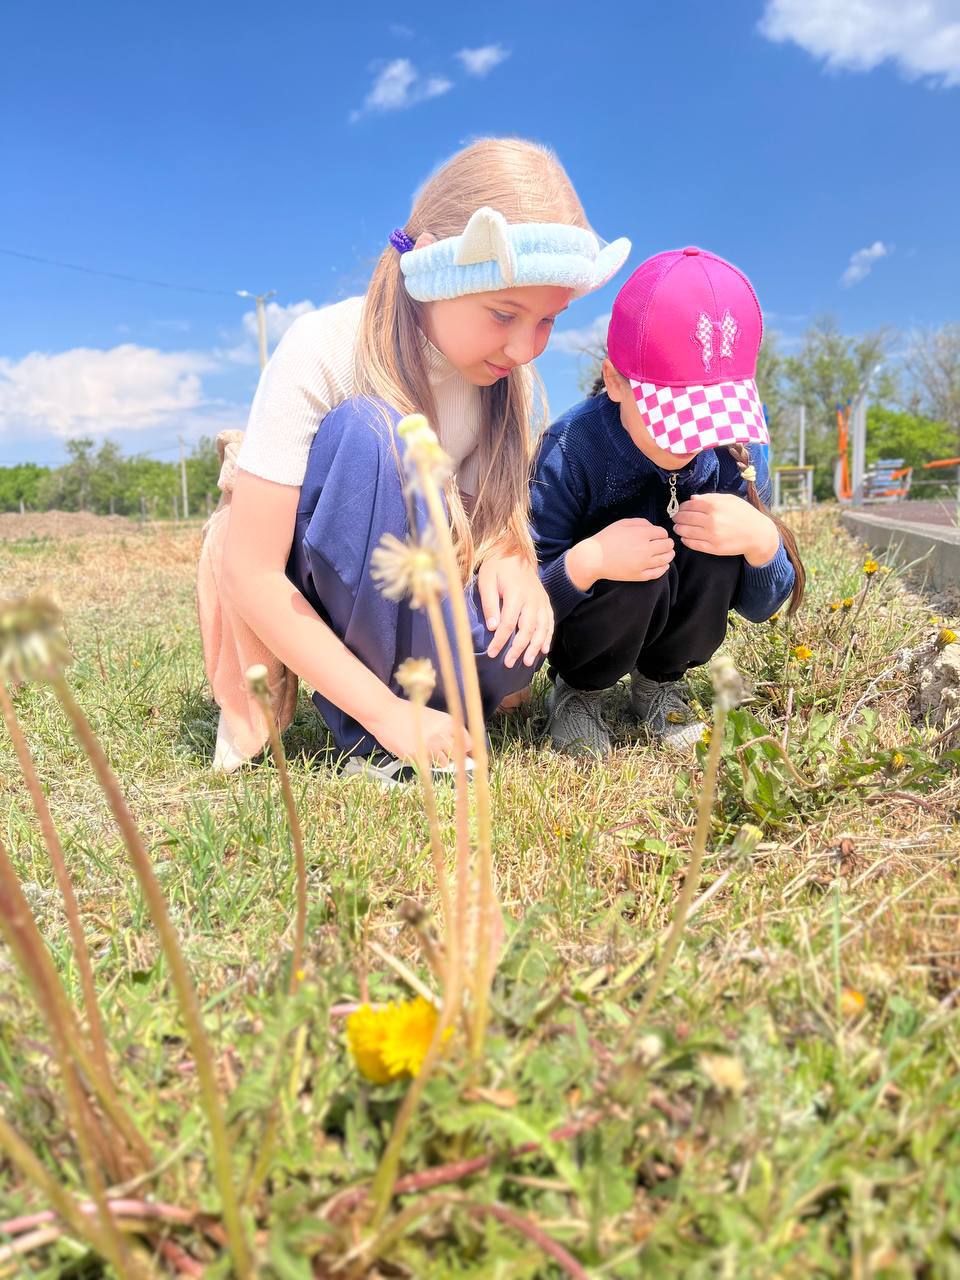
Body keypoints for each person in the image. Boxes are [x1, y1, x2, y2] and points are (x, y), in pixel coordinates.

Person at [198, 137, 630, 784]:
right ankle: (374, 740)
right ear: (433, 271)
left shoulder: (501, 384)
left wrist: (508, 555)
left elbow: (486, 513)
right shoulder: (324, 350)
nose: (524, 348)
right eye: (504, 313)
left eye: (548, 320)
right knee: (375, 434)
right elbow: (251, 572)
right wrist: (388, 714)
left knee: (513, 650)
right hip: (349, 602)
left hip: (429, 598)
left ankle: (442, 706)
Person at [530, 246, 805, 758]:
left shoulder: (736, 452)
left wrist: (762, 542)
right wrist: (587, 563)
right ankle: (581, 691)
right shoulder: (571, 449)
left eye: (711, 419)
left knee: (719, 538)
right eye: (677, 418)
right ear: (615, 380)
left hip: (681, 616)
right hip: (591, 623)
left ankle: (661, 680)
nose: (691, 442)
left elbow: (760, 605)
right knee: (637, 565)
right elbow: (531, 590)